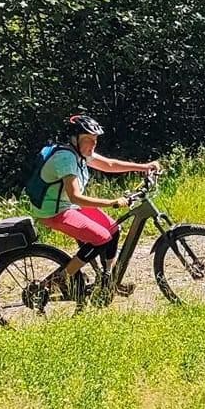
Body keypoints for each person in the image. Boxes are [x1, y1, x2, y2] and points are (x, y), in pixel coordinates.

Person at [25, 113, 160, 296]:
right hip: (53, 212)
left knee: (113, 229)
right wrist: (111, 202)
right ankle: (61, 280)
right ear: (74, 139)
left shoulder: (80, 153)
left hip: (67, 205)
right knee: (101, 238)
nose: (93, 144)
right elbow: (76, 197)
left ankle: (109, 280)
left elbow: (110, 165)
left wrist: (144, 167)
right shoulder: (65, 158)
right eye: (88, 139)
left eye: (95, 139)